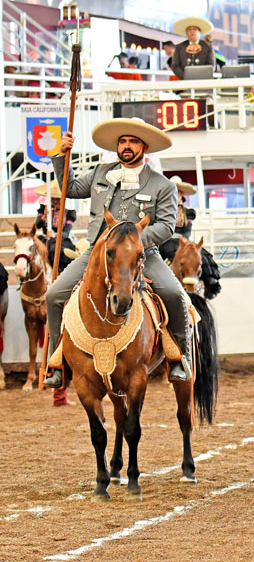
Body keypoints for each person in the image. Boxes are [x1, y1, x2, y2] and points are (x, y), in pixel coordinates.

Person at [42, 118, 192, 388]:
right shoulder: (101, 173)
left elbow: (168, 226)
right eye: (123, 141)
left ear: (144, 146)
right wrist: (62, 156)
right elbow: (71, 188)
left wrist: (132, 245)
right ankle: (58, 360)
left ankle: (180, 357)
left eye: (133, 141)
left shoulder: (163, 185)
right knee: (53, 295)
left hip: (143, 255)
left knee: (173, 292)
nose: (126, 146)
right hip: (97, 253)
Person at [34, 180, 77, 271]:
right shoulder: (43, 210)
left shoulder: (70, 213)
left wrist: (55, 235)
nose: (55, 201)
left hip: (62, 239)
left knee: (57, 250)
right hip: (46, 238)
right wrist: (45, 216)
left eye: (58, 199)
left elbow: (66, 232)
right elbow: (37, 225)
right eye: (53, 198)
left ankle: (59, 272)